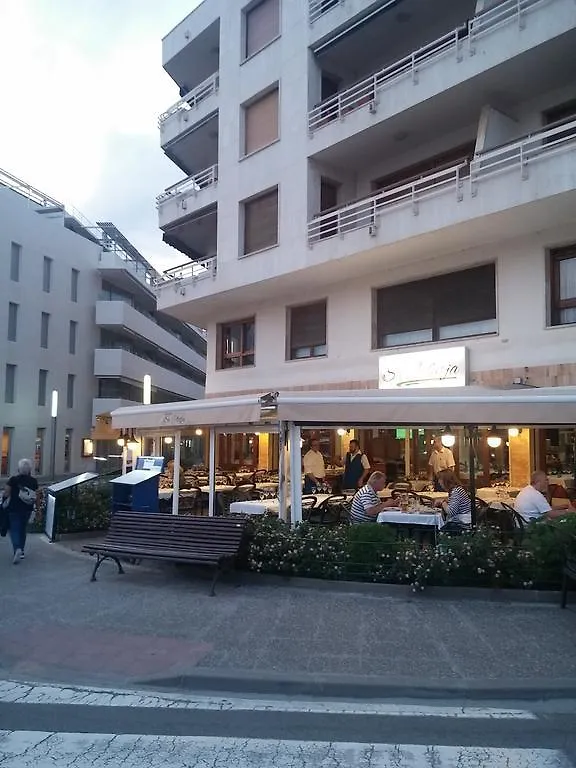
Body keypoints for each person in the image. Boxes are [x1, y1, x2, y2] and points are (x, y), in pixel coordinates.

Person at [2, 458, 38, 564]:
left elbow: (6, 493)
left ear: (18, 469)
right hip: (27, 509)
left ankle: (17, 548)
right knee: (22, 529)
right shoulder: (33, 481)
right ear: (30, 469)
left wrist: (4, 502)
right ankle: (21, 551)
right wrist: (38, 508)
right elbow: (37, 495)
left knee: (14, 530)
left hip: (14, 508)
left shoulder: (13, 480)